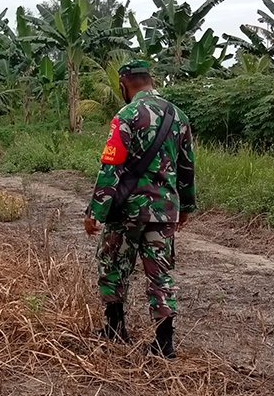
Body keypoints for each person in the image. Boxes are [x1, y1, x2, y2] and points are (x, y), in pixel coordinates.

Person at [84, 60, 196, 359]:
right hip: (165, 210)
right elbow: (187, 167)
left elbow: (111, 166)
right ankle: (164, 344)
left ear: (123, 85)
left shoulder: (126, 115)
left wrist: (95, 210)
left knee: (113, 265)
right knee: (160, 273)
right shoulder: (179, 116)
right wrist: (186, 206)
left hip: (128, 210)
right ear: (150, 80)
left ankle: (114, 329)